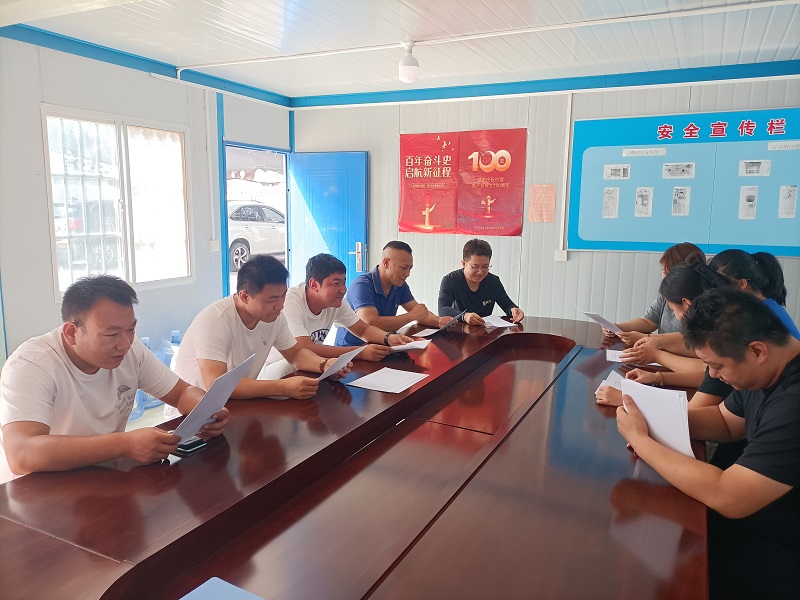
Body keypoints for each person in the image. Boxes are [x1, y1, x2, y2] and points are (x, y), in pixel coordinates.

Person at [616, 288, 800, 599]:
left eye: (717, 366)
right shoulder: (766, 371)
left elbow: (730, 495)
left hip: (779, 548)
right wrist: (650, 418)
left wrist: (641, 440)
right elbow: (726, 421)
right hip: (753, 523)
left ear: (757, 351)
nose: (712, 375)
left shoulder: (793, 402)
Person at [0, 275, 228, 477]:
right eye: (111, 334)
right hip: (45, 488)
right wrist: (124, 444)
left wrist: (207, 409)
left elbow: (182, 393)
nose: (125, 344)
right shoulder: (32, 365)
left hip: (108, 474)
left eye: (131, 329)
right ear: (71, 332)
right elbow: (22, 455)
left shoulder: (131, 350)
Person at [175, 255, 350, 401]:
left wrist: (325, 365)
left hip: (235, 404)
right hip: (193, 413)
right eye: (272, 299)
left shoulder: (274, 317)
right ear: (244, 296)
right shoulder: (215, 320)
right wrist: (282, 387)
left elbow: (296, 354)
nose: (280, 305)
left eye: (283, 296)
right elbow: (217, 385)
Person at [282, 253, 415, 361]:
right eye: (336, 283)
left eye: (344, 282)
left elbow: (363, 330)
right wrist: (359, 352)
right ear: (314, 285)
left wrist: (389, 338)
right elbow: (304, 349)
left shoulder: (335, 301)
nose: (343, 289)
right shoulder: (291, 301)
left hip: (310, 363)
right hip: (281, 368)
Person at [335, 241, 447, 346]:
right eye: (404, 268)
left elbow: (420, 313)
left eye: (410, 268)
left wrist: (440, 321)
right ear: (386, 263)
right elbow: (371, 323)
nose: (407, 273)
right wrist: (411, 316)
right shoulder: (362, 285)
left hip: (382, 344)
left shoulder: (399, 284)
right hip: (352, 349)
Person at [607, 242, 706, 345]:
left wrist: (647, 338)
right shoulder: (665, 294)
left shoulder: (705, 304)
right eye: (664, 271)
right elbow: (648, 321)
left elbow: (694, 343)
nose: (666, 278)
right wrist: (619, 327)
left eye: (670, 274)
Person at [438, 238, 524, 326]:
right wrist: (464, 316)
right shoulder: (450, 281)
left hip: (485, 330)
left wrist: (514, 310)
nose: (480, 272)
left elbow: (507, 305)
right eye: (475, 266)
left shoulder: (493, 282)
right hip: (459, 330)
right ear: (464, 263)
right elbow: (442, 309)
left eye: (485, 266)